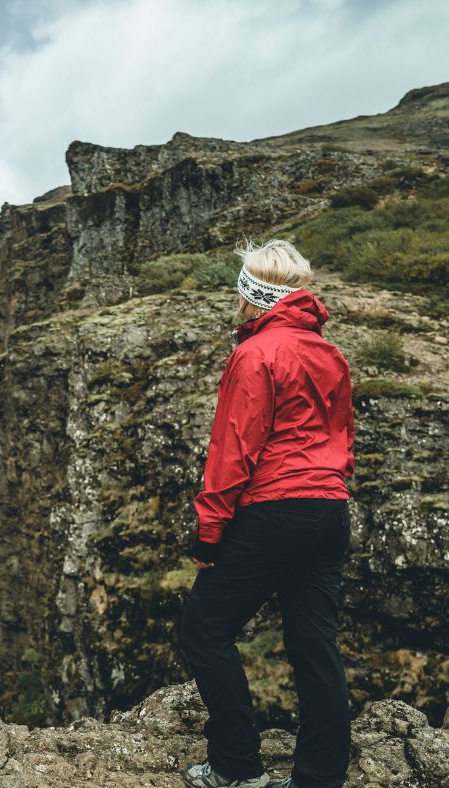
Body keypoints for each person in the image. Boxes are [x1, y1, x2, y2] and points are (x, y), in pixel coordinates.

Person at [179, 239, 355, 788]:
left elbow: (233, 450)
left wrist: (209, 533)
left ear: (253, 299)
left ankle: (235, 766)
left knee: (202, 631)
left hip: (275, 507)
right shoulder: (329, 354)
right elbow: (343, 436)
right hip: (330, 509)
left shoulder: (255, 354)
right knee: (313, 643)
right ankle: (319, 778)